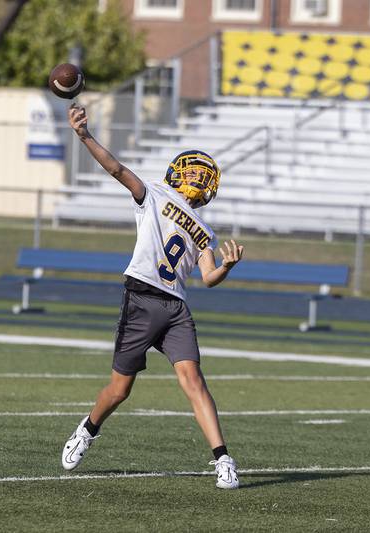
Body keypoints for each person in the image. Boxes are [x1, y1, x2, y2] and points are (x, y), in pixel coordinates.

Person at [61, 103, 244, 490]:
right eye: (192, 170)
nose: (195, 177)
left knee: (194, 380)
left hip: (176, 307)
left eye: (200, 173)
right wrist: (84, 135)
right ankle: (88, 429)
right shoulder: (155, 194)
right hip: (142, 297)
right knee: (120, 389)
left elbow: (208, 277)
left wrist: (226, 267)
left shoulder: (203, 230)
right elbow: (116, 169)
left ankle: (223, 459)